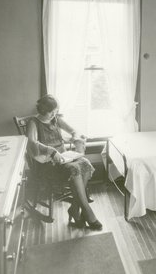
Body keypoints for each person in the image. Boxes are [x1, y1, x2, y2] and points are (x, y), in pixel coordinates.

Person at [26, 94, 102, 231]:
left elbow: (73, 130)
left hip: (64, 158)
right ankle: (86, 209)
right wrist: (50, 150)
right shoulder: (34, 122)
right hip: (47, 163)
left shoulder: (56, 119)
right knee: (75, 169)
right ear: (43, 110)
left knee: (85, 163)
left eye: (55, 111)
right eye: (51, 112)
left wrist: (76, 138)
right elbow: (31, 143)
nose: (54, 114)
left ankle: (75, 208)